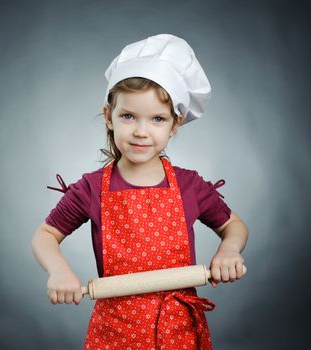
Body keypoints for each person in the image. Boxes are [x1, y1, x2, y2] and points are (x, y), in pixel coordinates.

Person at [31, 33, 249, 350]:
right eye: (128, 116)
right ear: (109, 117)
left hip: (179, 333)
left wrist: (229, 250)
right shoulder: (91, 188)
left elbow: (234, 226)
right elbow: (45, 234)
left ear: (175, 125)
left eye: (157, 119)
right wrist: (59, 271)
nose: (140, 131)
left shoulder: (189, 185)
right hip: (114, 333)